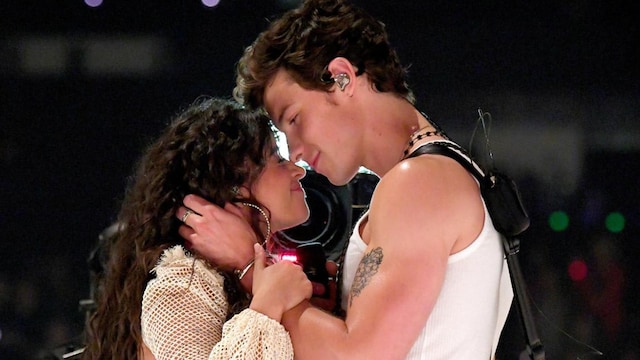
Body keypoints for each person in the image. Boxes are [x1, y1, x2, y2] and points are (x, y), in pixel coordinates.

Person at [180, 0, 514, 358]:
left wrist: (252, 269)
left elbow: (357, 355)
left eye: (293, 120)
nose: (294, 153)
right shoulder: (436, 172)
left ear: (342, 77)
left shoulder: (419, 184)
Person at [82, 97, 313, 359]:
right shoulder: (183, 282)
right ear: (233, 185)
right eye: (278, 159)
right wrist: (267, 305)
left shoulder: (226, 278)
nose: (298, 171)